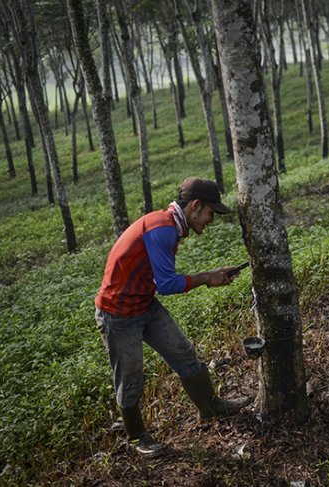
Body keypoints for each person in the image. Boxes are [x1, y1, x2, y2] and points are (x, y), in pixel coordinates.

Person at [94, 177, 252, 458]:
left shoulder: (170, 227)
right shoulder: (162, 228)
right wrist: (206, 278)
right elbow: (166, 284)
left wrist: (212, 274)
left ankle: (210, 406)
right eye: (210, 213)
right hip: (118, 314)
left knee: (183, 353)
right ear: (195, 206)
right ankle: (136, 436)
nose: (211, 219)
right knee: (130, 377)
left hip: (143, 304)